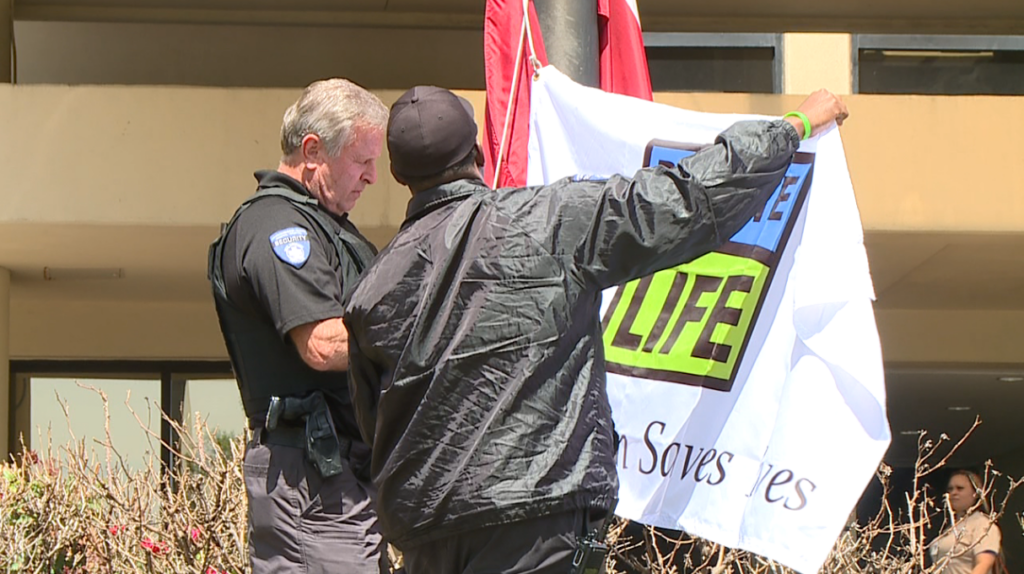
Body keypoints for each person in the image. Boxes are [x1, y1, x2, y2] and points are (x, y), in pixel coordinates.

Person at [343, 85, 849, 574]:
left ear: (396, 173)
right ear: (477, 149)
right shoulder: (547, 220)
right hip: (537, 517)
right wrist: (793, 127)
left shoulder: (372, 289)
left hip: (426, 531)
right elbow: (687, 198)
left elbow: (375, 426)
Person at [207, 78, 388, 574]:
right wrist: (422, 330)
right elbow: (323, 344)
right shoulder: (277, 227)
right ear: (313, 150)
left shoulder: (329, 226)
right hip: (311, 479)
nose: (373, 176)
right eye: (362, 160)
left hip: (342, 477)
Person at [930, 470, 1003, 574]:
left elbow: (983, 564)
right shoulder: (949, 528)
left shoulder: (982, 524)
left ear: (975, 494)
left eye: (960, 488)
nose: (953, 493)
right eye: (950, 489)